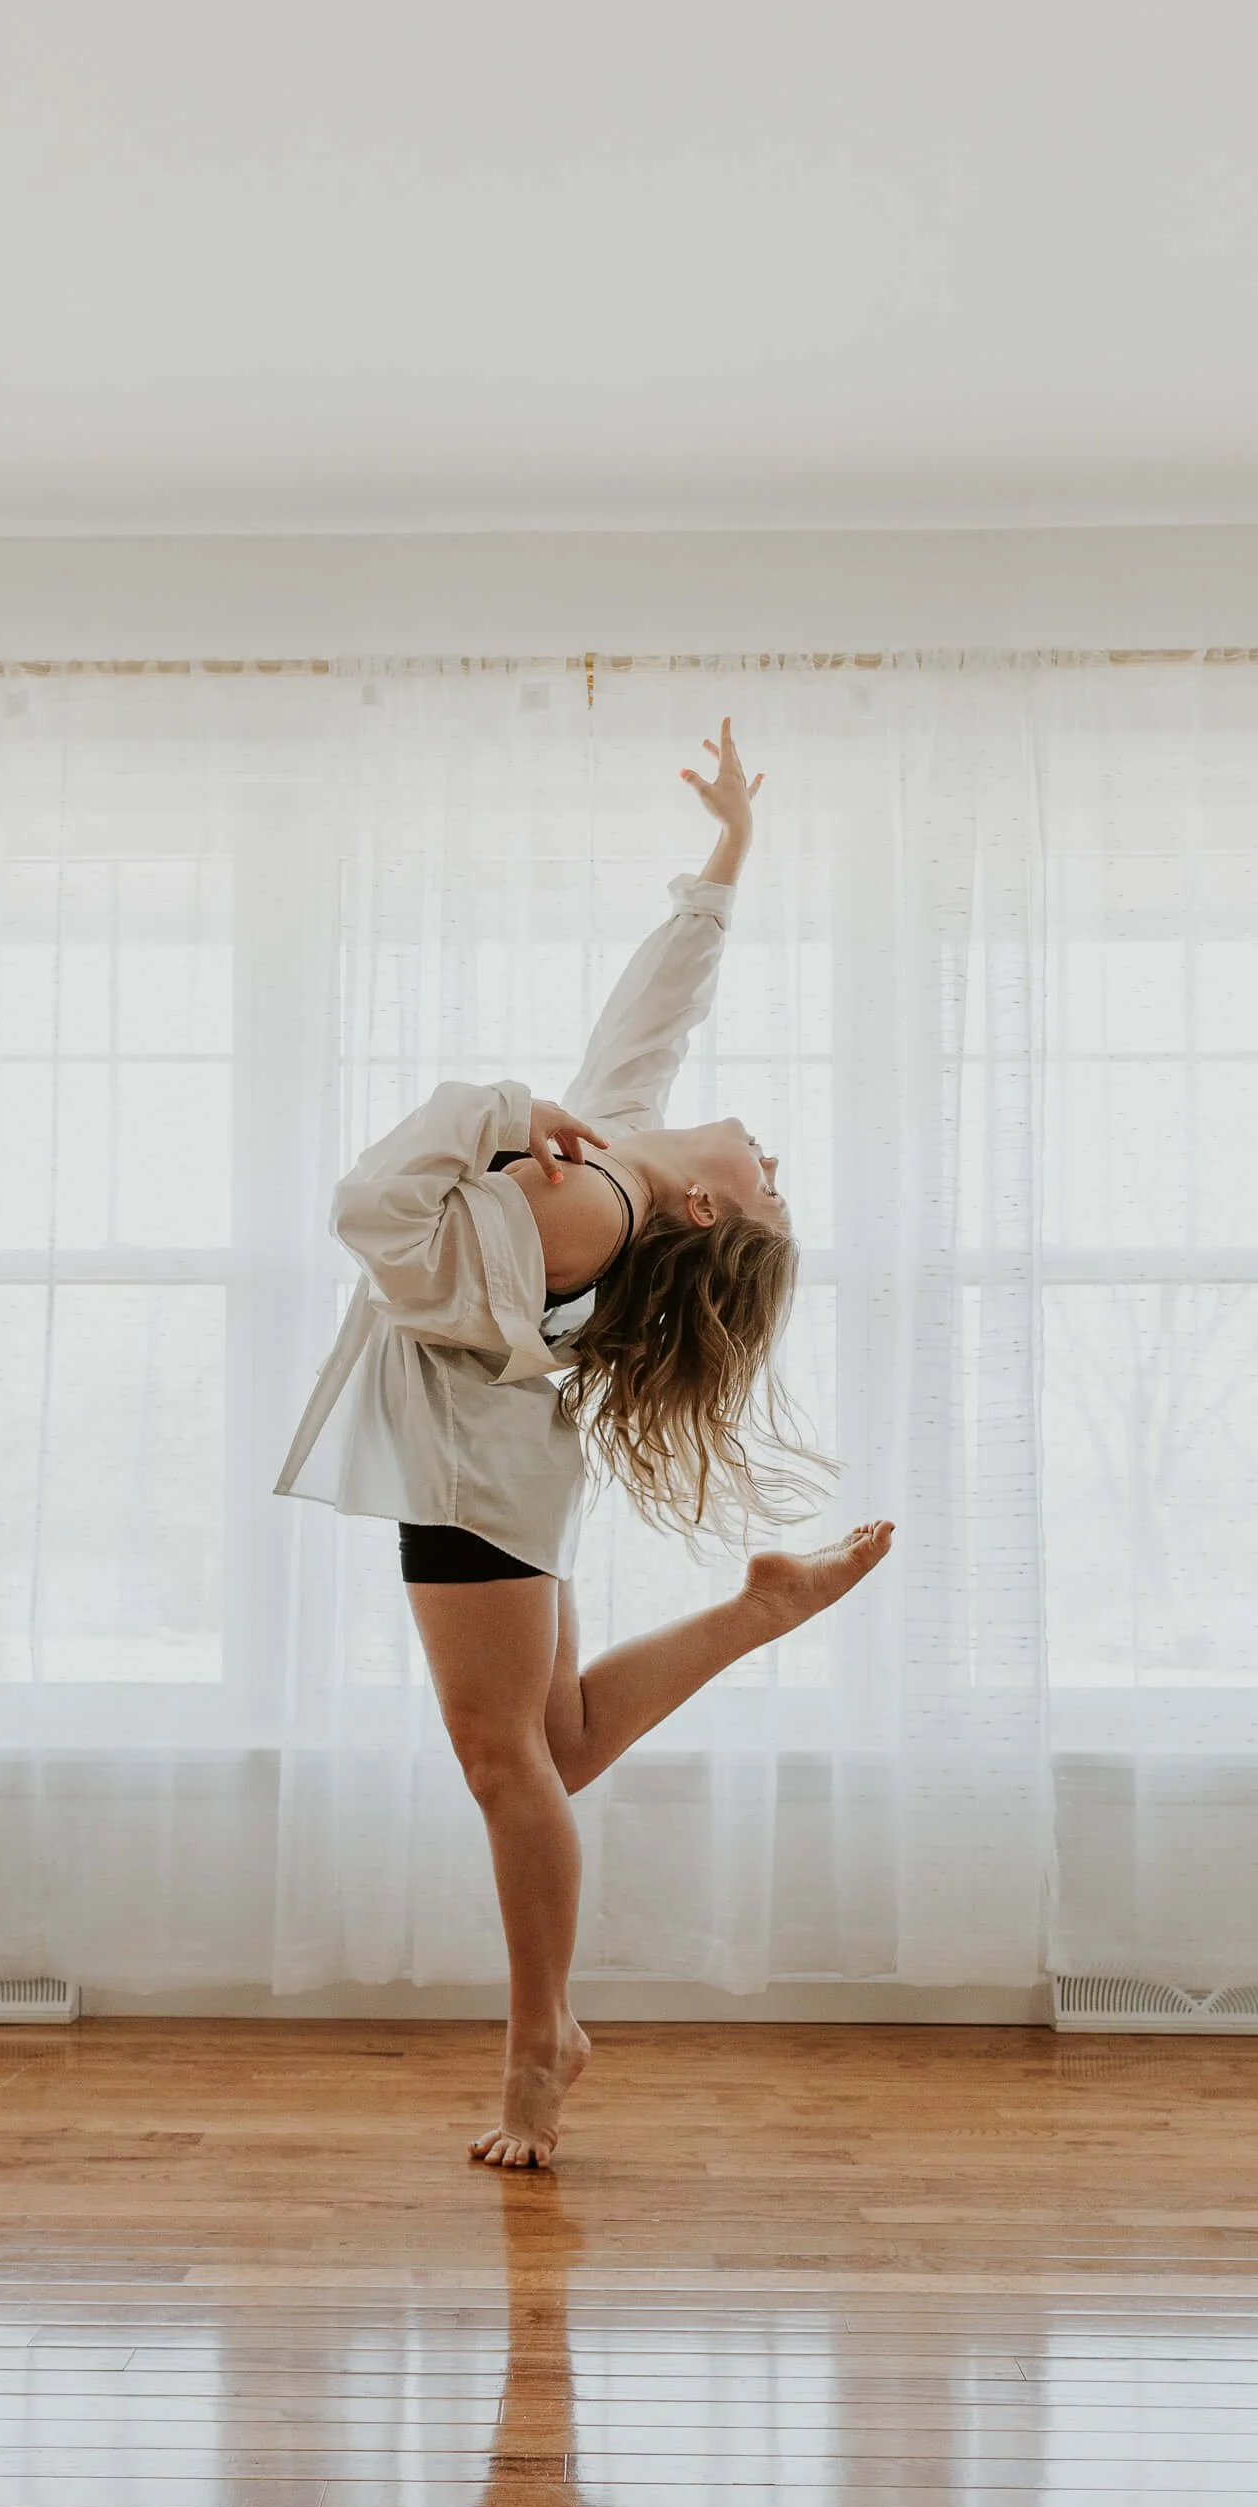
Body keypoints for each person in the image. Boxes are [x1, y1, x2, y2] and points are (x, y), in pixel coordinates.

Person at [277, 721, 892, 2167]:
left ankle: (540, 2037)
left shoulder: (592, 1208)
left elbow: (374, 1222)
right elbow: (651, 1016)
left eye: (769, 1198)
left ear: (698, 1213)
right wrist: (729, 858)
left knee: (509, 1765)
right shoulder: (620, 1153)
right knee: (549, 1747)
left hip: (475, 1475)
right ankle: (755, 1615)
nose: (773, 1167)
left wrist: (493, 1109)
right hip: (500, 1466)